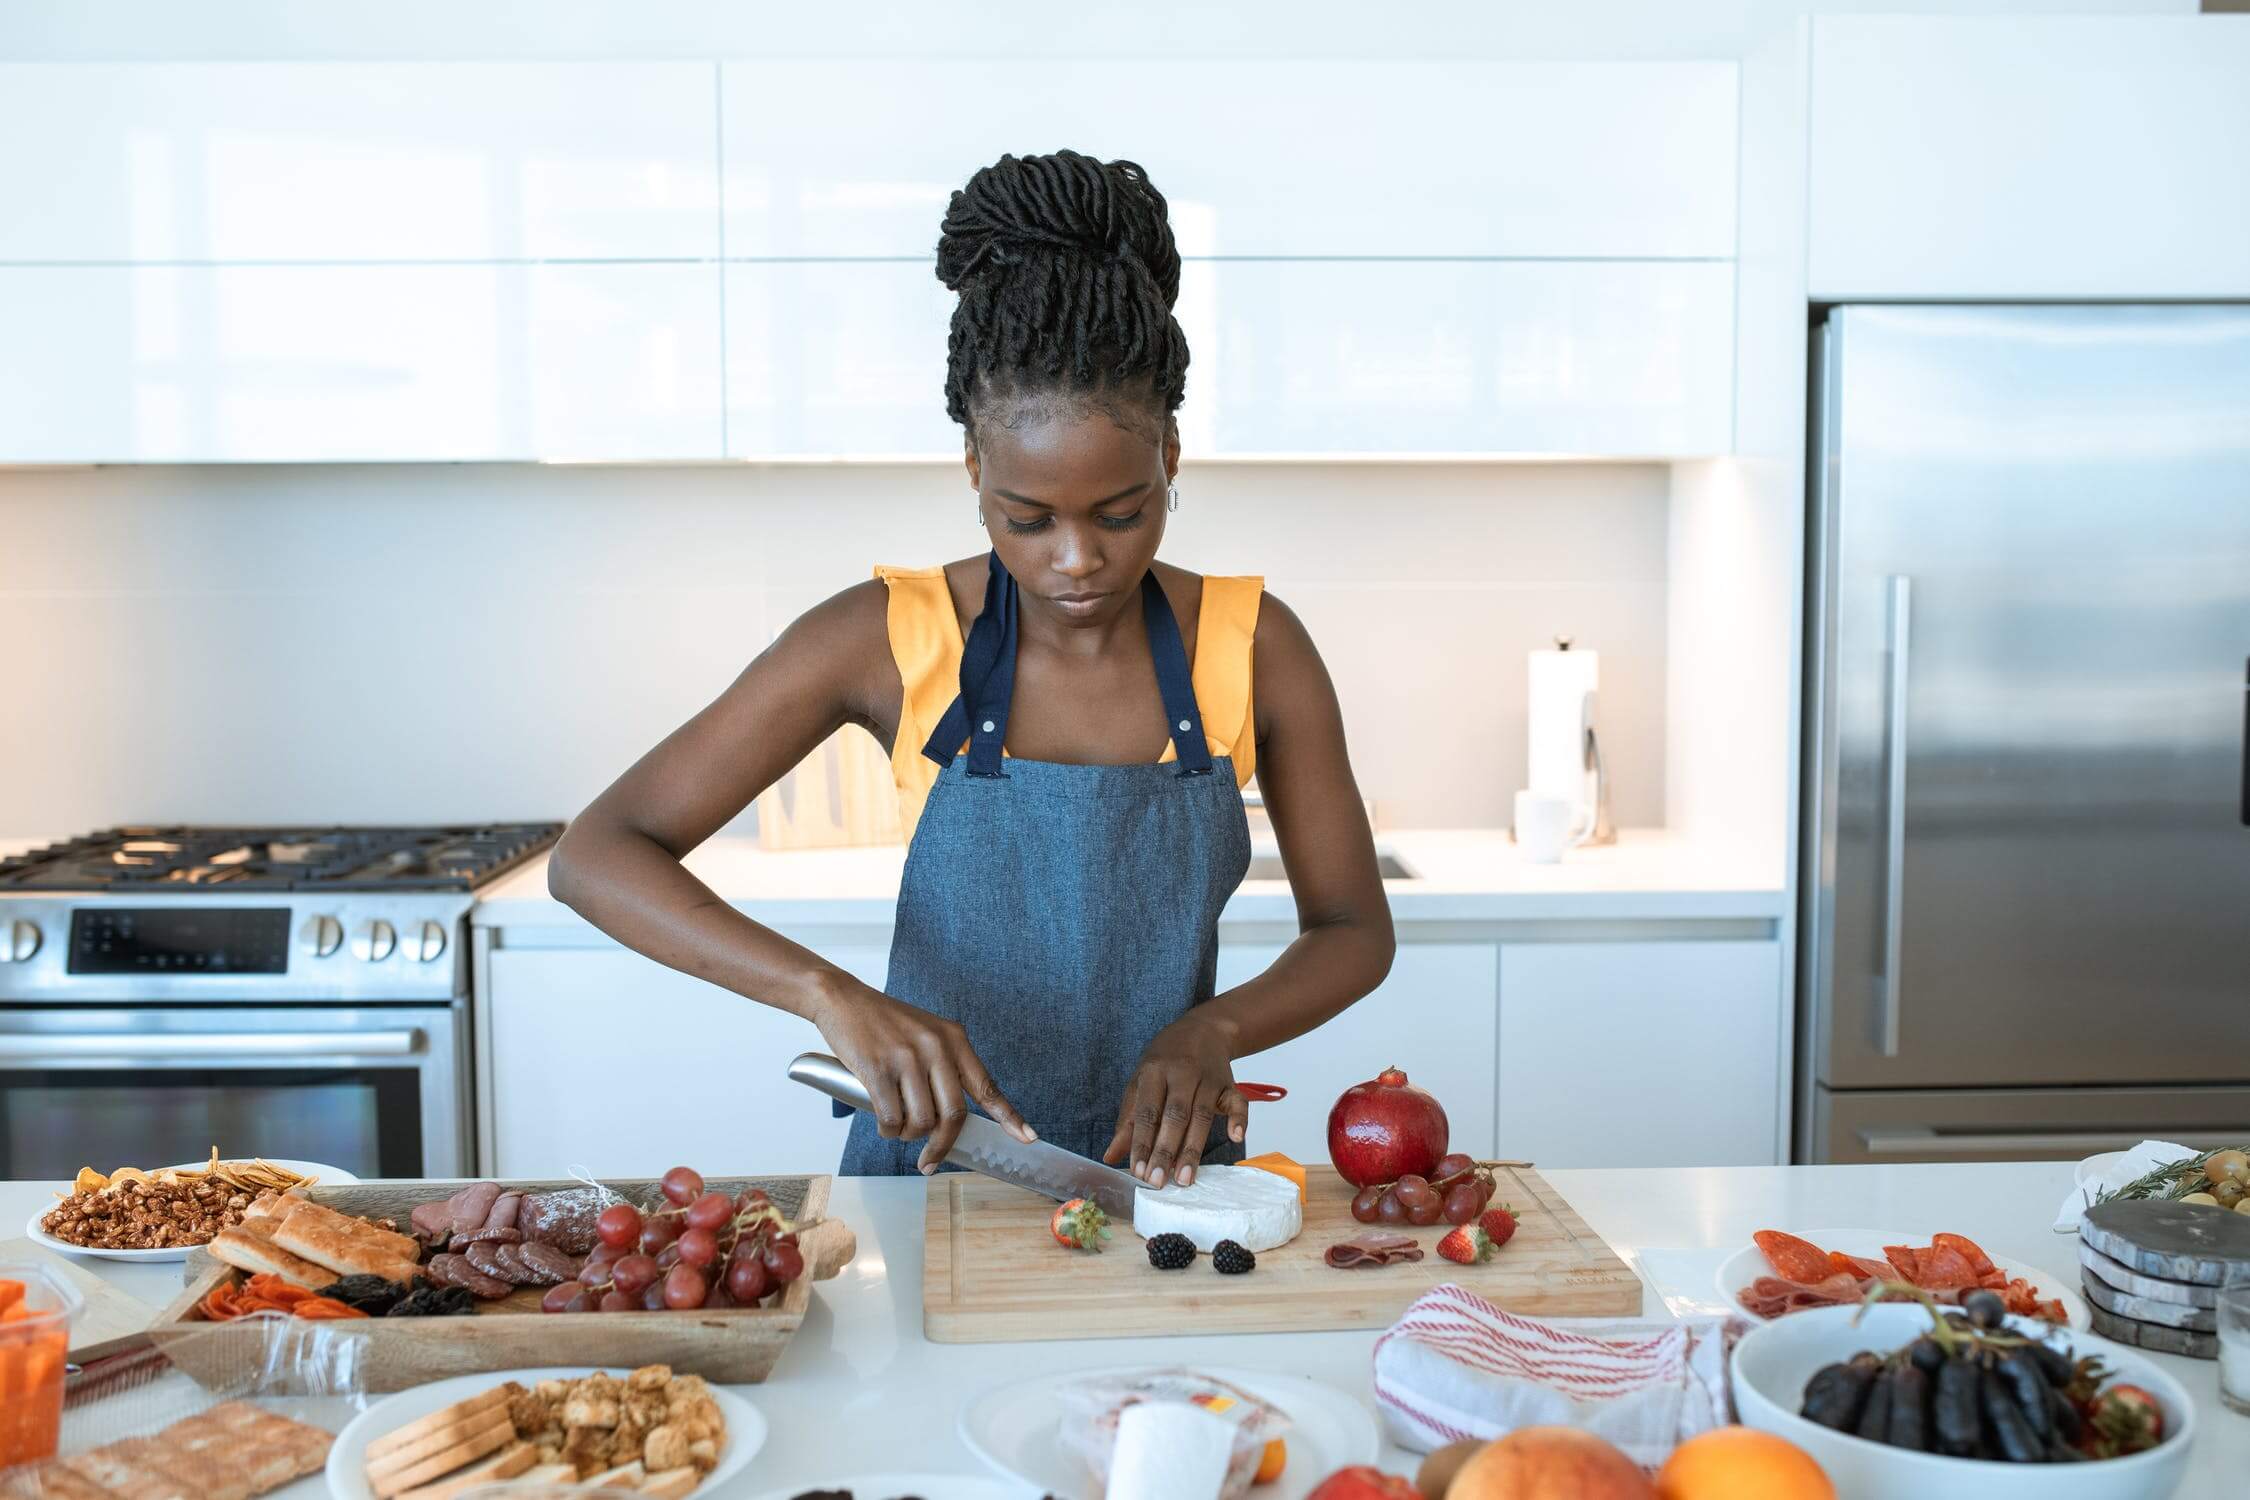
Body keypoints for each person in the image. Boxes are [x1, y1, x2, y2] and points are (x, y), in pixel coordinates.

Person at [549, 149, 1394, 1187]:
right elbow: (596, 853)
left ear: (1171, 454)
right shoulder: (888, 637)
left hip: (1165, 1191)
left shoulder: (1256, 645)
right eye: (1026, 520)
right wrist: (832, 997)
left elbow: (1354, 930)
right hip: (925, 1188)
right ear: (973, 471)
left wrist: (1216, 1031)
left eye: (1121, 513)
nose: (1076, 559)